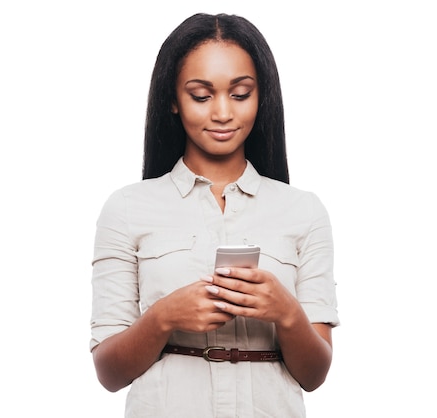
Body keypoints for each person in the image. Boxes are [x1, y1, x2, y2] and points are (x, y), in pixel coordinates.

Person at [89, 12, 339, 417]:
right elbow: (108, 373)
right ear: (172, 99)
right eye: (201, 96)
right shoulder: (126, 209)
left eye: (240, 94)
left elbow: (315, 374)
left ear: (262, 96)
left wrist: (287, 313)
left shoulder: (303, 211)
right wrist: (163, 317)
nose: (222, 112)